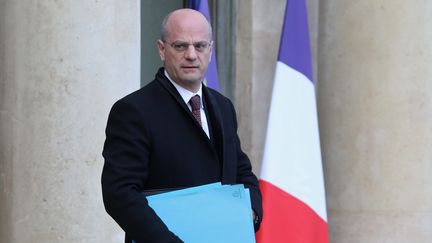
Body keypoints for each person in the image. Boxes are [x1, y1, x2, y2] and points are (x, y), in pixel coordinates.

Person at [101, 8, 262, 243]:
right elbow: (119, 194)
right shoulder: (133, 110)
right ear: (161, 49)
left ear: (211, 49)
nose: (191, 55)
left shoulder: (223, 106)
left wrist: (251, 212)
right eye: (180, 46)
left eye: (199, 46)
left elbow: (242, 172)